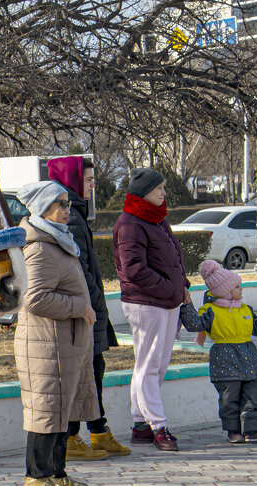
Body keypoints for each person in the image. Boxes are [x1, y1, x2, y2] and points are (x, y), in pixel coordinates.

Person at [14, 181, 100, 486]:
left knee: (61, 409)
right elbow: (35, 298)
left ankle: (57, 473)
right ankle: (36, 476)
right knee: (46, 409)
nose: (67, 210)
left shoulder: (58, 241)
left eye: (68, 203)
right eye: (60, 204)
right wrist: (80, 307)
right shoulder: (40, 247)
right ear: (42, 209)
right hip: (45, 345)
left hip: (64, 344)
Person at [47, 156, 130, 459]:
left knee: (93, 371)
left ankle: (97, 431)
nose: (93, 185)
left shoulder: (77, 213)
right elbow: (79, 269)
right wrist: (92, 301)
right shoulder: (72, 217)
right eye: (89, 179)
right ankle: (74, 437)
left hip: (89, 307)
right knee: (86, 373)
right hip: (84, 309)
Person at [113, 168, 191, 452]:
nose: (164, 193)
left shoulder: (157, 219)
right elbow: (134, 269)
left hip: (167, 301)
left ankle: (140, 425)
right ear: (144, 192)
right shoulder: (129, 222)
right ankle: (158, 425)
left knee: (155, 365)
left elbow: (175, 257)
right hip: (145, 304)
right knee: (149, 365)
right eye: (159, 188)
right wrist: (167, 288)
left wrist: (182, 285)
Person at [179, 260, 257, 443]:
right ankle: (233, 431)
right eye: (237, 286)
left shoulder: (245, 309)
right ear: (224, 291)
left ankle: (254, 429)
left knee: (254, 395)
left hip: (248, 361)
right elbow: (194, 324)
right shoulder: (211, 311)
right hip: (225, 361)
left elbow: (254, 329)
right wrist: (187, 305)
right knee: (229, 398)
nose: (241, 289)